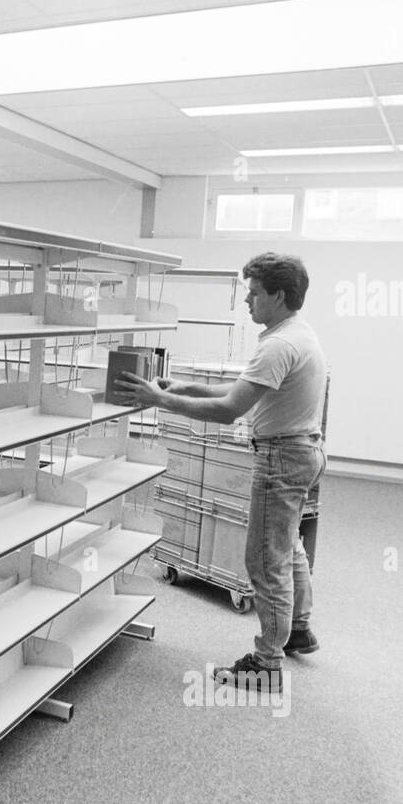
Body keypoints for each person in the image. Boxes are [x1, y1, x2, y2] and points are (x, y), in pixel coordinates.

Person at [115, 252, 327, 691]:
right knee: (288, 548)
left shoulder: (278, 344)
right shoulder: (295, 334)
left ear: (279, 295)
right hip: (303, 451)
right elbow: (243, 390)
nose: (246, 301)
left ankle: (266, 663)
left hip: (281, 457)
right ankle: (298, 629)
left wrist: (160, 401)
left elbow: (230, 409)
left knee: (265, 560)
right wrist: (184, 387)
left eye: (253, 293)